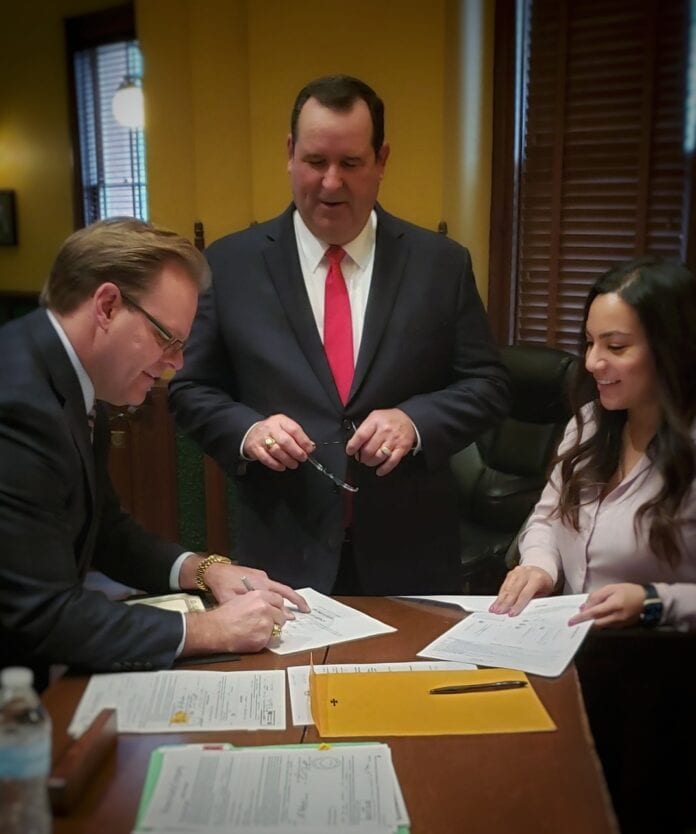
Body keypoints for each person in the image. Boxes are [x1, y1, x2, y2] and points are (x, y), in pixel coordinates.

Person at [169, 74, 510, 595]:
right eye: (315, 161)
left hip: (412, 557)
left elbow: (487, 385)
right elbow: (190, 389)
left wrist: (415, 421)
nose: (331, 183)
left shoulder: (440, 265)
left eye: (350, 163)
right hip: (283, 555)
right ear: (289, 153)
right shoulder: (230, 263)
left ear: (381, 160)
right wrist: (247, 431)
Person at [0, 218, 309, 689]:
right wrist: (209, 628)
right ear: (106, 305)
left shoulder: (71, 386)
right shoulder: (16, 402)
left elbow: (105, 530)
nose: (177, 364)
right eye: (169, 339)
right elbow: (43, 615)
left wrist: (206, 571)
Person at [492, 256, 696, 630]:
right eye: (589, 343)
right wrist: (538, 563)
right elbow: (546, 517)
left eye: (615, 347)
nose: (591, 362)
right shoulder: (589, 422)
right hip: (568, 645)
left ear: (672, 350)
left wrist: (653, 601)